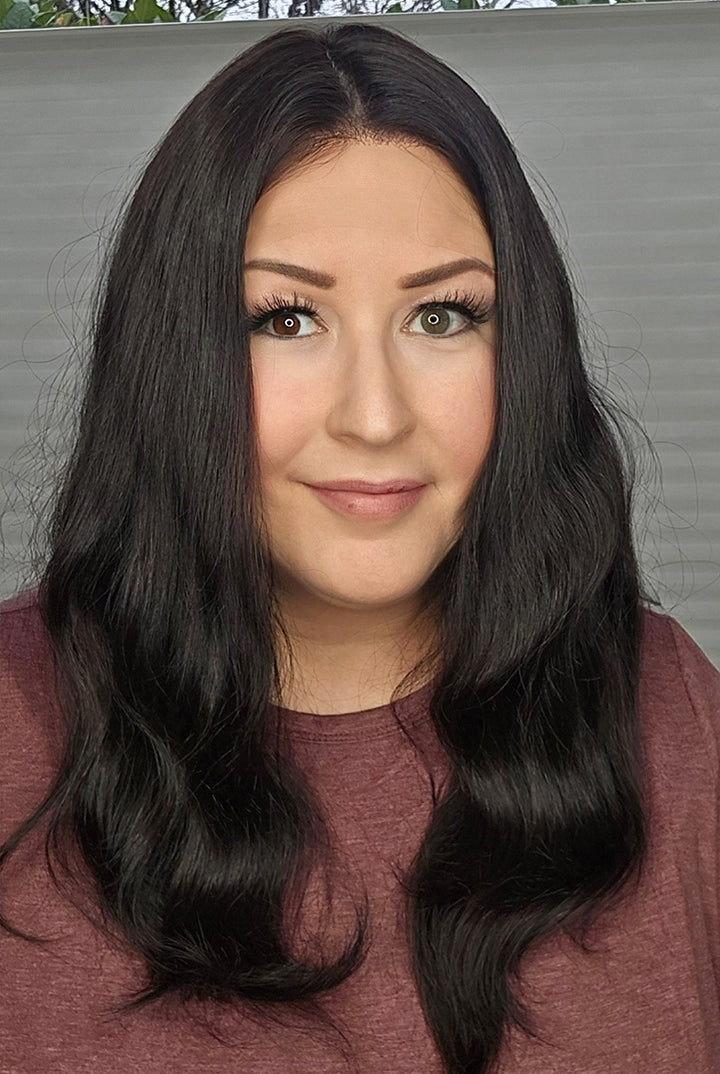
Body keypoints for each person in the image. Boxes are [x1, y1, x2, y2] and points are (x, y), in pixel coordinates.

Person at [0, 20, 718, 1074]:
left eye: (443, 315)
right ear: (175, 358)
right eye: (286, 318)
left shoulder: (672, 710)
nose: (376, 418)